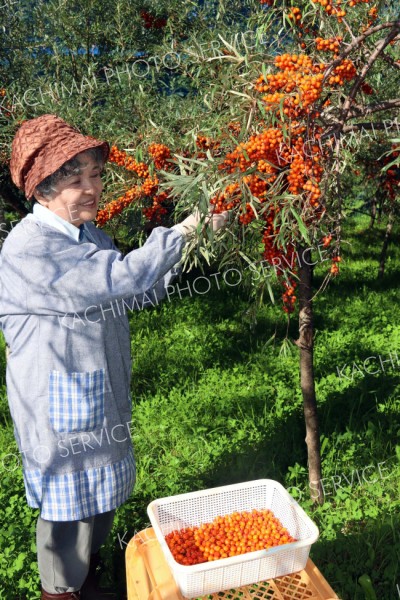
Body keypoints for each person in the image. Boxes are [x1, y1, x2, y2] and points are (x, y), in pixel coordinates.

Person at [0, 114, 228, 600]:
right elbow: (118, 278)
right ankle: (61, 592)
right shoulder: (29, 248)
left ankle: (87, 581)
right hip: (59, 413)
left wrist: (196, 241)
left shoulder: (90, 238)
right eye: (75, 179)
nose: (92, 188)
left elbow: (133, 291)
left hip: (97, 401)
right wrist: (182, 232)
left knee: (97, 508)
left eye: (95, 175)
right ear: (41, 190)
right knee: (67, 520)